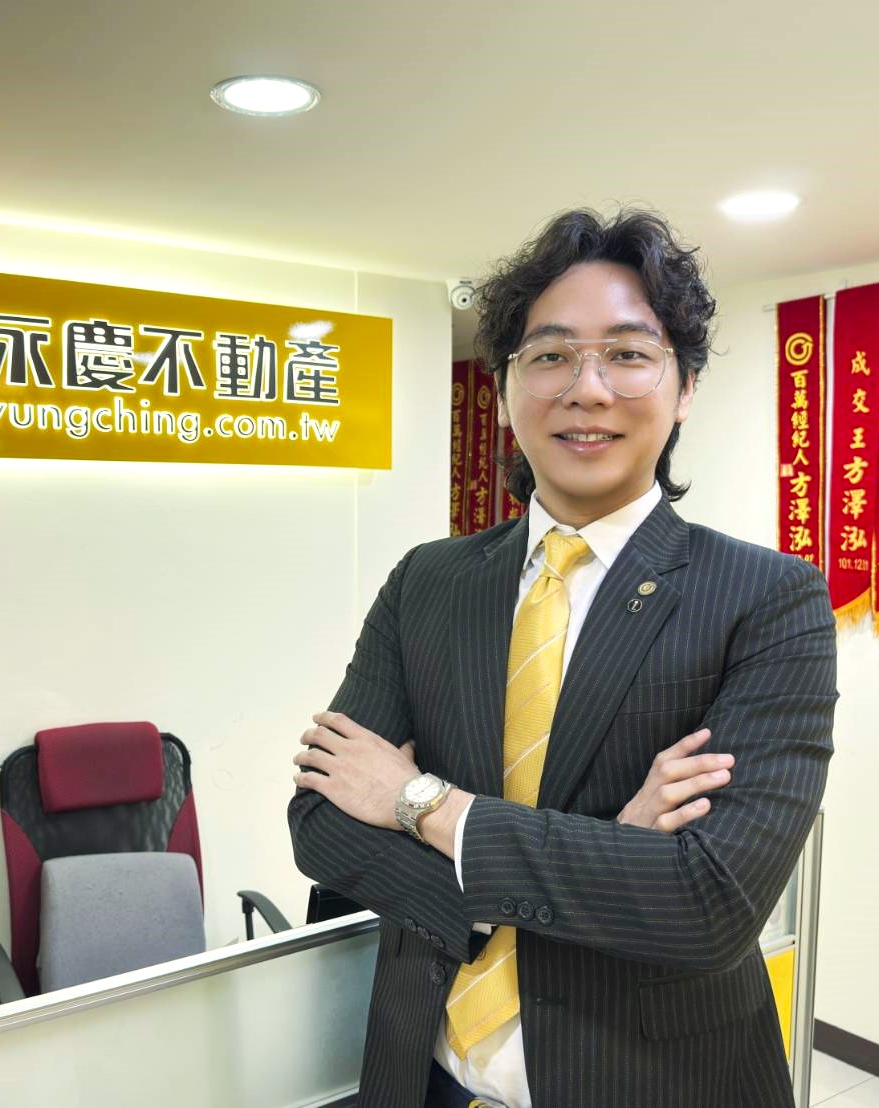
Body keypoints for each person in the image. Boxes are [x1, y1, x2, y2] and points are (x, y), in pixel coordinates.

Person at [287, 208, 837, 1108]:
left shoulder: (767, 597)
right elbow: (321, 821)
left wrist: (418, 802)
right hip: (424, 1074)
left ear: (684, 386)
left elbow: (709, 904)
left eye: (627, 353)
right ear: (505, 387)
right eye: (548, 355)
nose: (586, 389)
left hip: (652, 1082)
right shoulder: (428, 580)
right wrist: (613, 855)